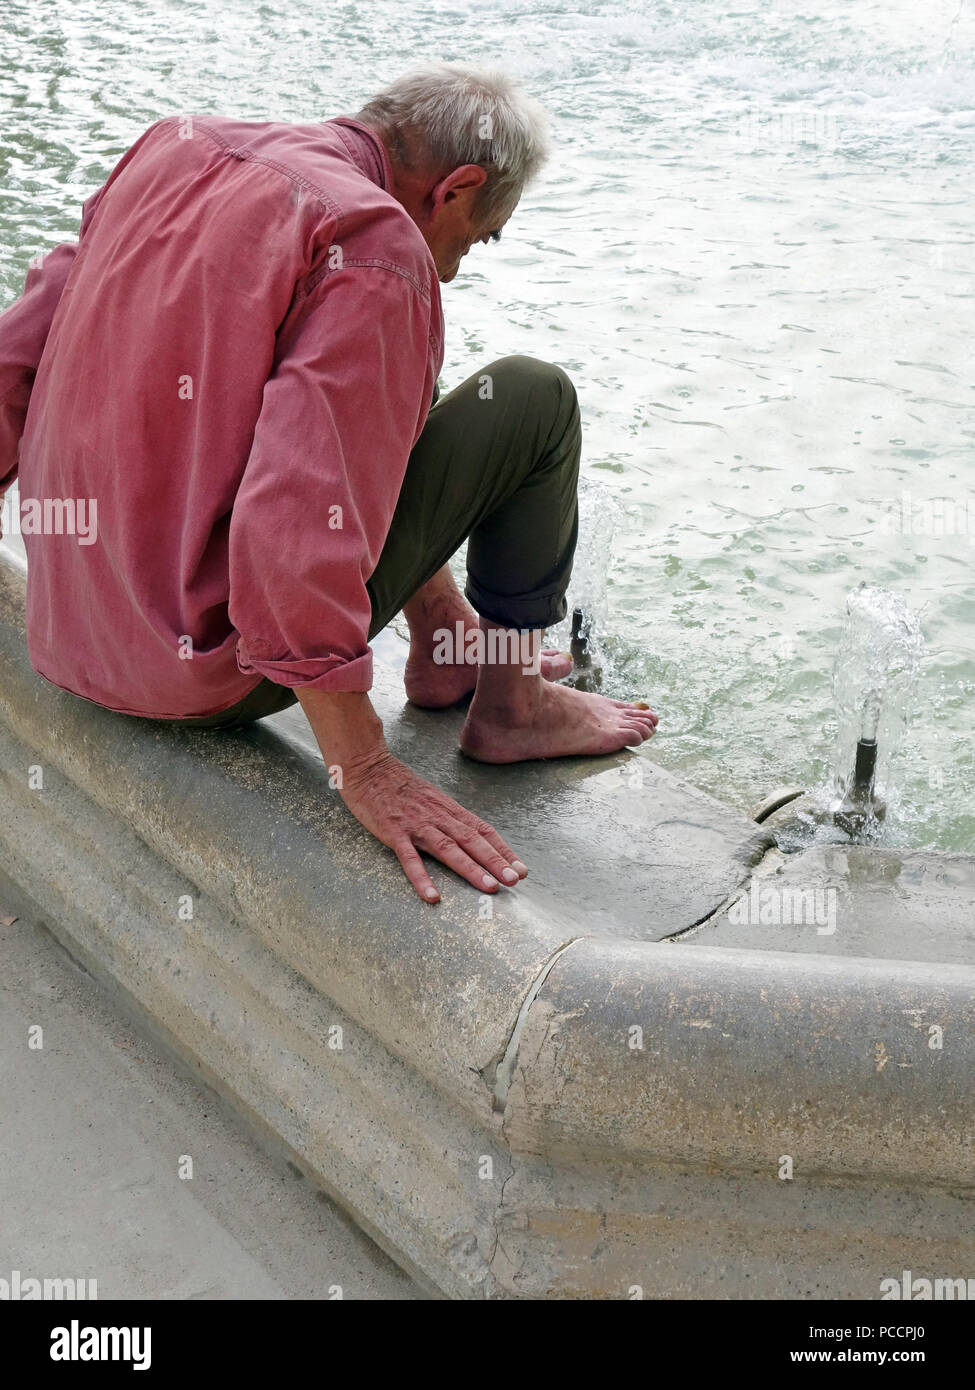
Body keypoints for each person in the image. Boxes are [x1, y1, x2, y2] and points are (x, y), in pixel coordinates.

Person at [0, 63, 657, 903]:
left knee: (365, 396)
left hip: (72, 630)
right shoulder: (376, 242)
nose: (454, 269)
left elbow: (17, 354)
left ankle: (446, 641)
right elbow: (297, 514)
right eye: (476, 238)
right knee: (531, 395)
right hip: (200, 669)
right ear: (458, 188)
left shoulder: (176, 148)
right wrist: (362, 763)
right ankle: (514, 706)